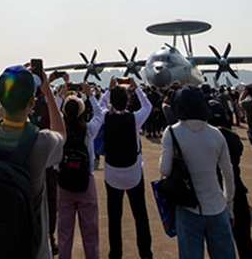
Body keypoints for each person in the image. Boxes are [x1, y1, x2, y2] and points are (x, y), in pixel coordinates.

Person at [0, 65, 65, 259]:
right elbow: (62, 134)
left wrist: (10, 87)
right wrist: (47, 92)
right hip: (31, 247)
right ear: (32, 101)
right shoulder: (42, 142)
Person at [160, 86, 236, 259]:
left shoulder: (172, 132)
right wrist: (229, 207)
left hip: (188, 207)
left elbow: (164, 170)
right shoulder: (217, 134)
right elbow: (228, 174)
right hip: (217, 206)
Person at [101, 76, 154, 259]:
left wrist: (108, 90)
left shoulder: (105, 117)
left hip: (112, 174)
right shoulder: (134, 119)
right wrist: (136, 88)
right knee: (140, 214)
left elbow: (99, 105)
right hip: (133, 173)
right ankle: (145, 253)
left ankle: (115, 253)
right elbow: (147, 106)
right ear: (128, 101)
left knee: (114, 216)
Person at [57, 82, 103, 259]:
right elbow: (99, 114)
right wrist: (90, 94)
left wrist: (60, 95)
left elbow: (52, 113)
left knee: (64, 230)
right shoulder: (89, 130)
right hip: (86, 181)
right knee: (90, 230)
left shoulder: (60, 131)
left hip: (64, 181)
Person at [208, 100, 252, 259]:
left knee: (218, 242)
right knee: (244, 238)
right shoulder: (233, 137)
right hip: (236, 191)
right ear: (226, 116)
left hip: (214, 193)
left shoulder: (205, 139)